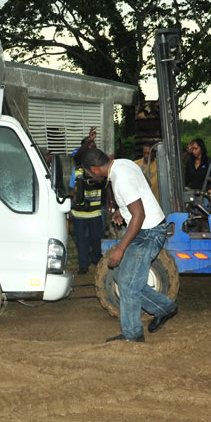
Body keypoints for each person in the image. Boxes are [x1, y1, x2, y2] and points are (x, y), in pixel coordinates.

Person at [80, 147, 178, 343]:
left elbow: (139, 215)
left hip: (148, 233)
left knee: (128, 285)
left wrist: (120, 248)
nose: (90, 176)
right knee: (121, 276)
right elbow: (144, 186)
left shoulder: (120, 180)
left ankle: (133, 335)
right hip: (145, 229)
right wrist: (123, 211)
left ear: (95, 169)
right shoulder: (123, 163)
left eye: (89, 173)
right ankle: (165, 308)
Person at [69, 142, 104, 274]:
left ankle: (96, 259)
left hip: (95, 212)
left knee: (96, 239)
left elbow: (106, 185)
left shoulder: (97, 171)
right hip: (79, 213)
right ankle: (83, 264)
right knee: (81, 240)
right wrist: (70, 205)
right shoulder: (76, 171)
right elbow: (71, 189)